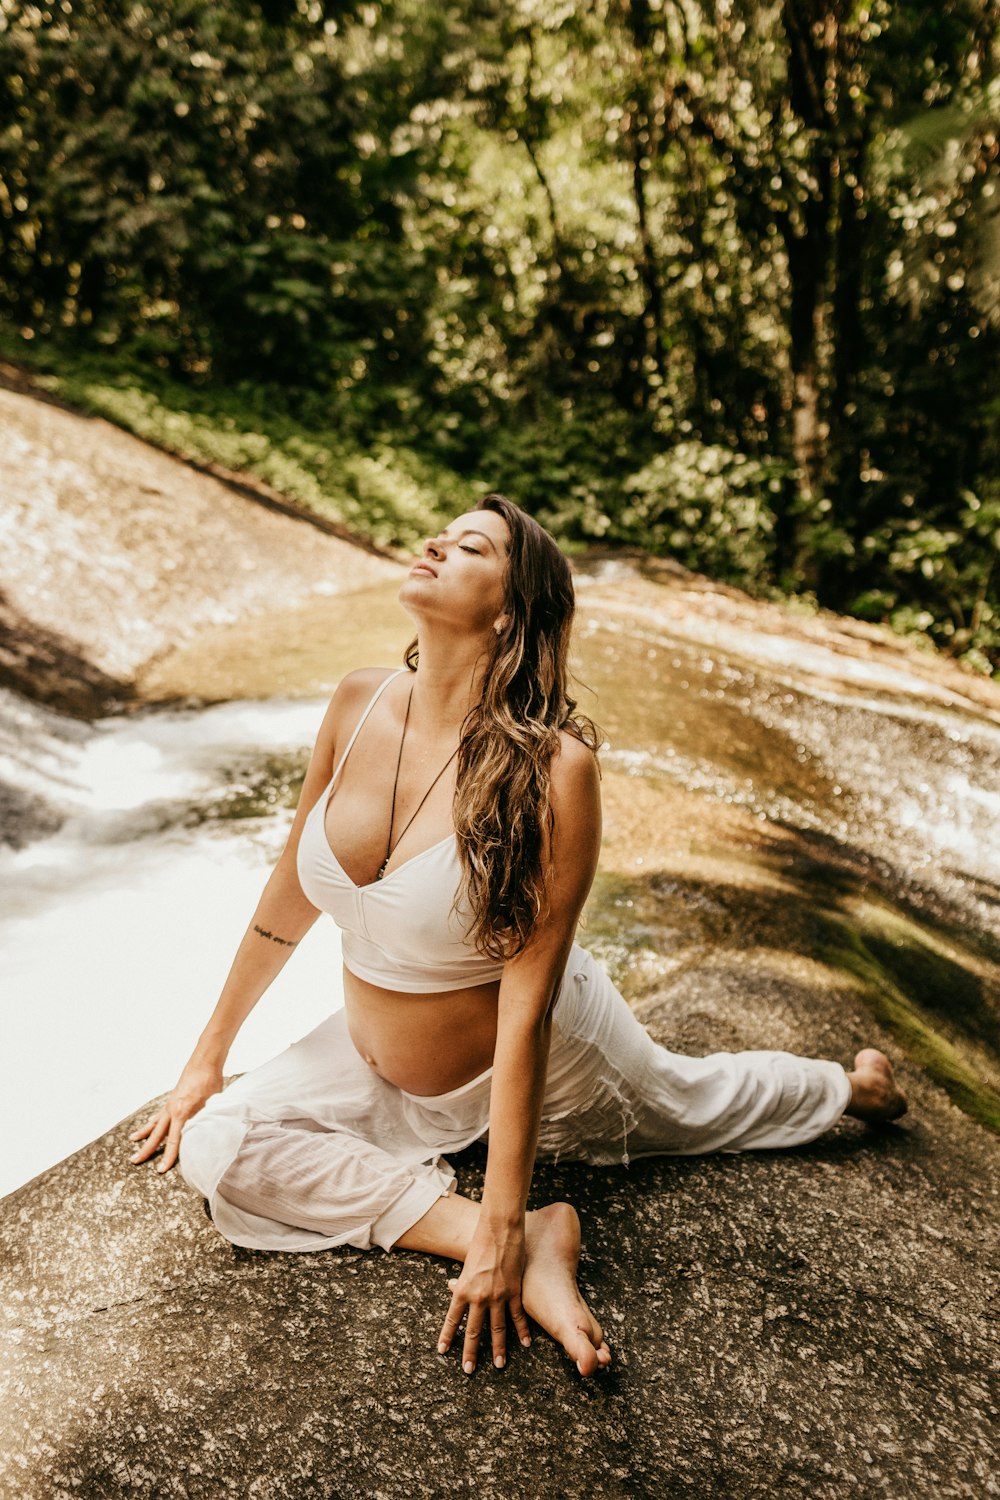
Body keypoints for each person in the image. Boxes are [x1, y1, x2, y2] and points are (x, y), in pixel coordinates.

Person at [129, 492, 907, 1379]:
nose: (435, 544)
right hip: (373, 1060)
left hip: (536, 1053)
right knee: (218, 1143)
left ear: (509, 612)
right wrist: (205, 1058)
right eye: (443, 533)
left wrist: (503, 1201)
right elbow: (284, 900)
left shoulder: (555, 772)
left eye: (469, 547)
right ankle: (538, 1237)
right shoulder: (356, 702)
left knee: (689, 1105)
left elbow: (527, 1008)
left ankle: (851, 1090)